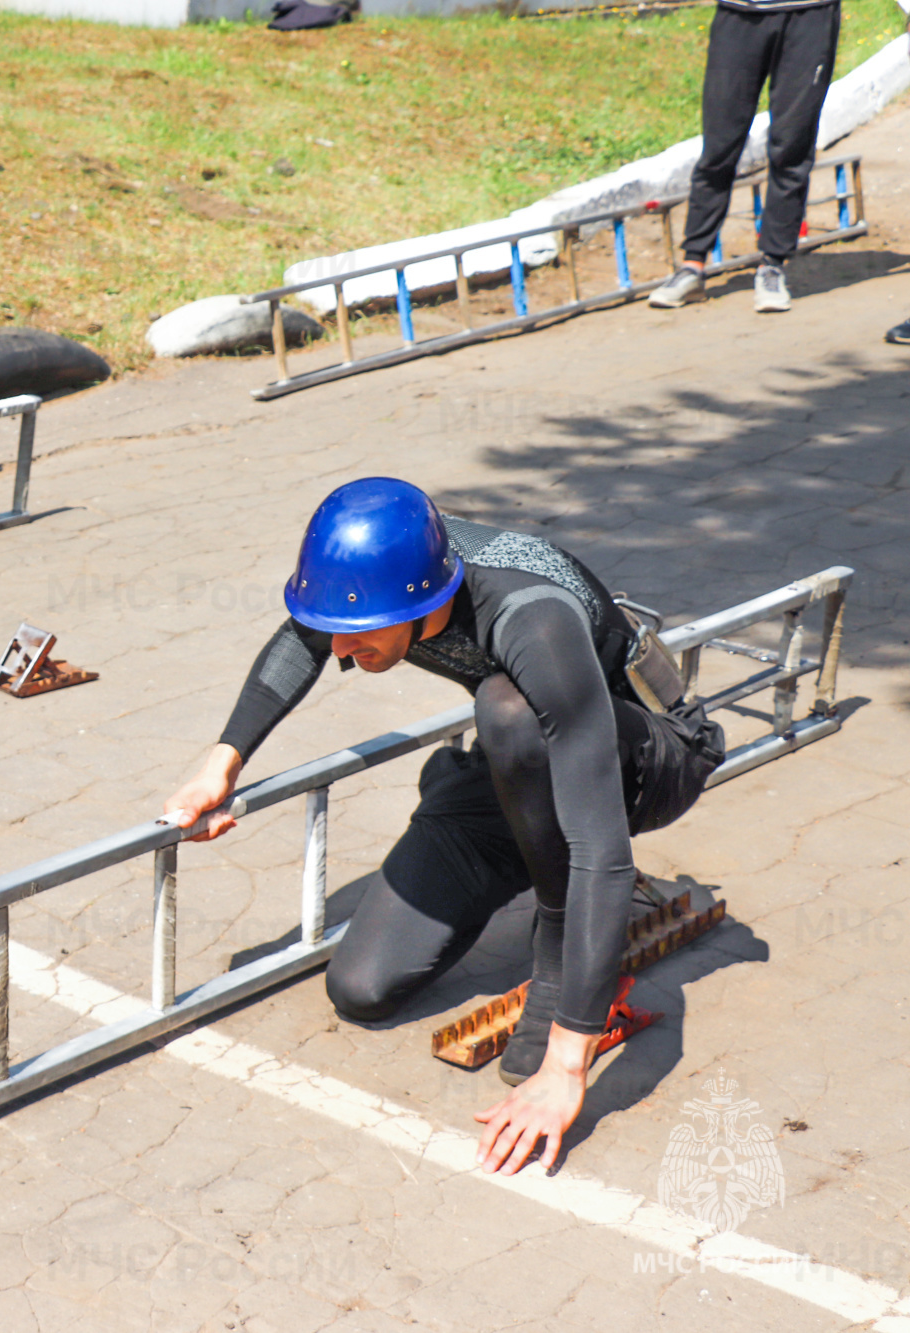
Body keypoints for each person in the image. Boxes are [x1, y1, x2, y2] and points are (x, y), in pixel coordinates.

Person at [164, 479, 725, 1175]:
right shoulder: (387, 568)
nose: (339, 653)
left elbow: (600, 850)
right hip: (531, 760)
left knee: (508, 708)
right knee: (363, 987)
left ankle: (560, 934)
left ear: (421, 599)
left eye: (358, 637)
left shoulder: (531, 620)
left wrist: (568, 1062)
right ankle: (491, 805)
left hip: (643, 762)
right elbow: (304, 635)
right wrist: (222, 762)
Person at [646, 0, 840, 315]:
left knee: (791, 144)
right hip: (739, 13)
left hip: (810, 14)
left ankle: (772, 265)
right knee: (719, 144)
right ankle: (692, 264)